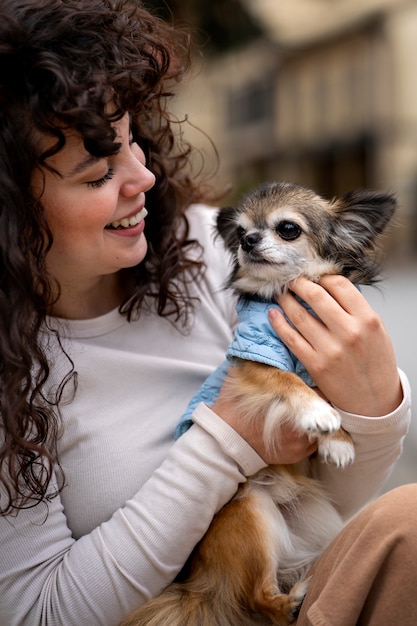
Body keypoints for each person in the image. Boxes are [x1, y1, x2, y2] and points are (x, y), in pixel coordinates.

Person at [0, 1, 413, 625]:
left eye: (134, 139)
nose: (140, 176)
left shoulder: (209, 250)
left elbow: (325, 496)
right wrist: (226, 441)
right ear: (11, 215)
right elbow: (37, 613)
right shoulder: (14, 376)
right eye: (97, 173)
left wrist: (376, 407)